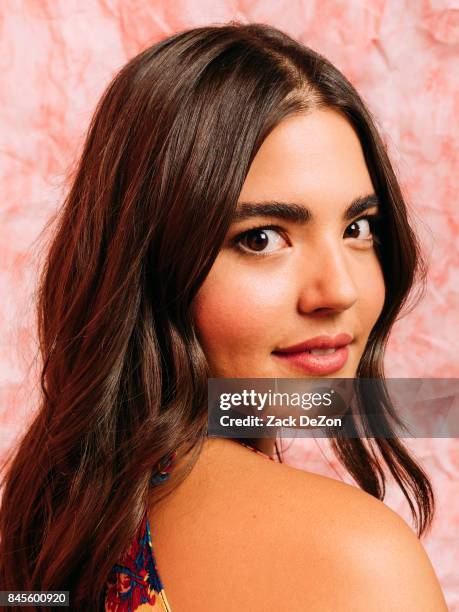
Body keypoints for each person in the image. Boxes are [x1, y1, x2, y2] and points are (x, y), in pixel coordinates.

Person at [0, 22, 448, 611]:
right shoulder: (356, 558)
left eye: (358, 228)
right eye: (262, 238)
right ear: (152, 260)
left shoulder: (55, 511)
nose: (337, 290)